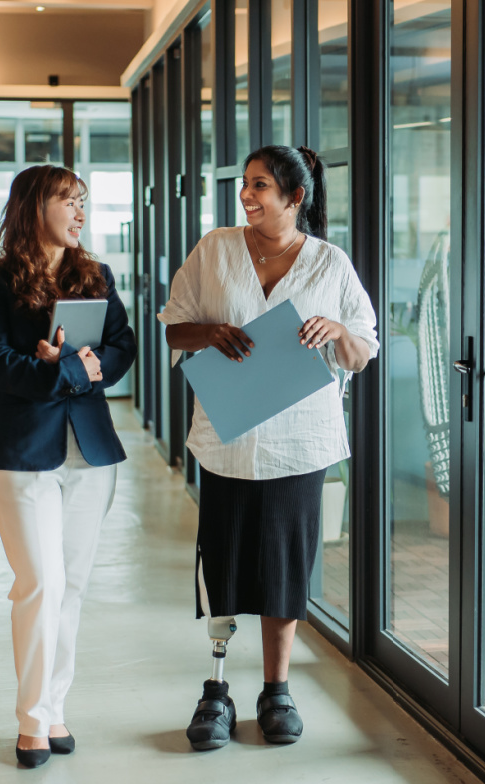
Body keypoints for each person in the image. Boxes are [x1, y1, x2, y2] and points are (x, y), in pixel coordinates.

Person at [159, 145, 378, 748]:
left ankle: (276, 691)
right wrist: (212, 331)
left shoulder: (330, 265)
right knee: (223, 564)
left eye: (260, 186)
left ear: (295, 198)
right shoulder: (216, 249)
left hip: (297, 446)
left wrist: (337, 332)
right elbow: (175, 324)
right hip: (227, 440)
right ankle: (218, 688)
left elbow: (364, 349)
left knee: (283, 568)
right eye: (245, 185)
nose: (247, 196)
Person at [0, 165, 137, 769]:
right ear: (35, 206)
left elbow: (123, 346)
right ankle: (31, 722)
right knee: (40, 584)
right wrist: (65, 370)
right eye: (69, 200)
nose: (80, 212)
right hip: (22, 451)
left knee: (73, 585)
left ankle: (53, 708)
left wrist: (79, 367)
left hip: (89, 452)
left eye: (83, 201)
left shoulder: (96, 275)